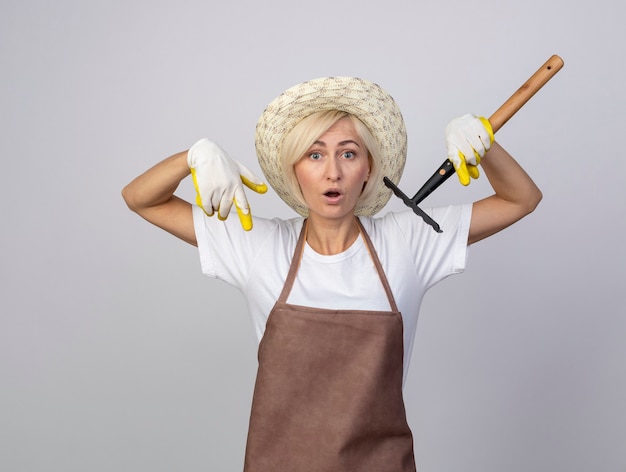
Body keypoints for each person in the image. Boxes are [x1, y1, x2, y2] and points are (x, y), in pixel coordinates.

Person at [122, 76, 542, 471]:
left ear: (369, 171)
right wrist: (193, 156)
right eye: (315, 154)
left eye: (348, 153)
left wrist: (485, 147)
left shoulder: (408, 241)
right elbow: (142, 199)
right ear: (294, 171)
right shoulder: (259, 247)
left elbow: (520, 200)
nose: (332, 172)